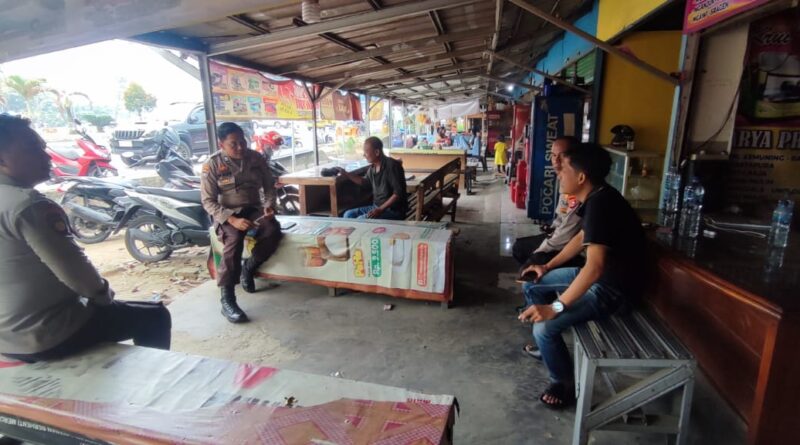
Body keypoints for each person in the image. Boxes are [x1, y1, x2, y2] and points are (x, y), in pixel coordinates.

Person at [0, 114, 171, 362]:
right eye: (33, 148)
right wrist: (103, 296)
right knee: (154, 316)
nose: (47, 156)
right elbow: (78, 275)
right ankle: (152, 379)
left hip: (6, 336)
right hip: (45, 333)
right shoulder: (28, 205)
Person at [518, 143, 646, 410]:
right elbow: (581, 238)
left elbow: (595, 268)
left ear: (581, 177)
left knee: (543, 328)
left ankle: (563, 383)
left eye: (563, 169)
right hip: (601, 277)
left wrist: (555, 307)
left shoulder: (601, 204)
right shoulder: (598, 196)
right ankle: (548, 348)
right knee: (534, 283)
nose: (558, 173)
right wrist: (548, 266)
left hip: (613, 289)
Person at [201, 122, 283, 324]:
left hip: (254, 208)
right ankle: (227, 299)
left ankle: (250, 267)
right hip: (227, 213)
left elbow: (269, 186)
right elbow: (208, 201)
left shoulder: (255, 158)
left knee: (273, 231)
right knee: (234, 239)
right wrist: (232, 219)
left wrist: (269, 205)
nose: (240, 147)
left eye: (242, 142)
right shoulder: (212, 164)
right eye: (233, 144)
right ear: (221, 144)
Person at [512, 137, 584, 270]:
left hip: (572, 249)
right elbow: (562, 214)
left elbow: (566, 234)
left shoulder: (578, 189)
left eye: (562, 156)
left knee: (530, 261)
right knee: (520, 247)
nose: (556, 161)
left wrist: (539, 252)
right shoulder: (565, 179)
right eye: (553, 155)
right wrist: (552, 228)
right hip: (561, 236)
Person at [338, 136, 407, 220]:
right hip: (376, 207)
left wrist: (380, 209)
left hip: (393, 210)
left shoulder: (392, 166)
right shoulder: (372, 168)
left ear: (377, 152)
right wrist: (346, 174)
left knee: (360, 220)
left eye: (366, 152)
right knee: (348, 214)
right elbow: (364, 182)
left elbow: (398, 193)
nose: (364, 155)